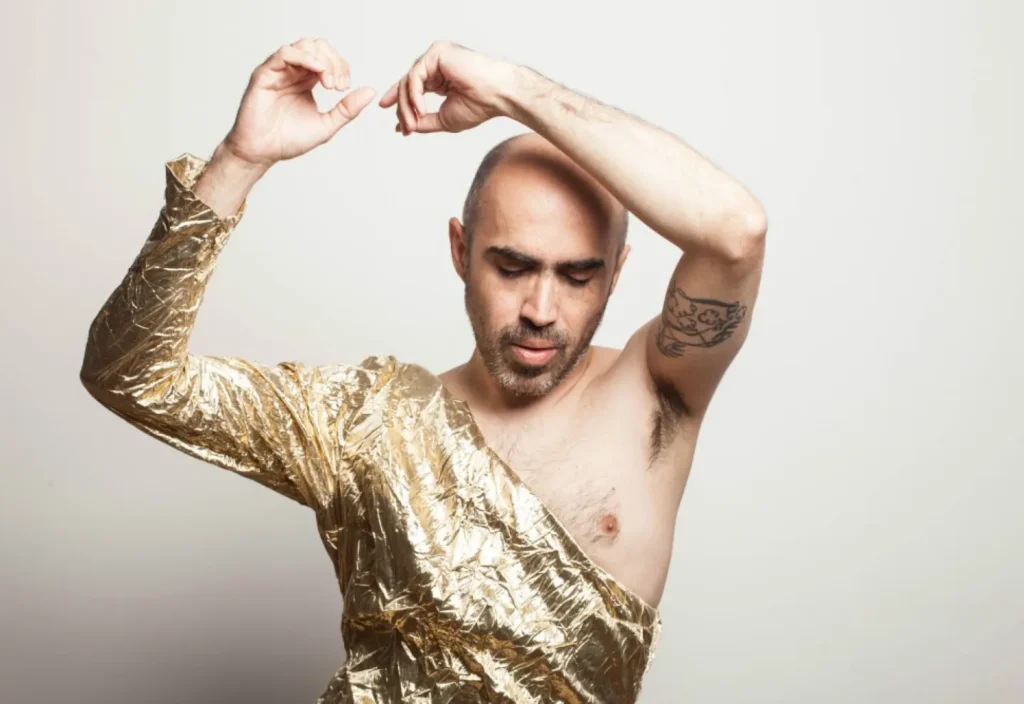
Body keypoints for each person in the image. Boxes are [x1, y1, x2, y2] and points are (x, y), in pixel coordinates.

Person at [80, 37, 766, 704]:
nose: (540, 310)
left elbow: (736, 232)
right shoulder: (370, 421)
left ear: (616, 273)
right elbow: (131, 373)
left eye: (578, 276)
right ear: (460, 251)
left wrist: (513, 90)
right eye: (512, 267)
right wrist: (238, 161)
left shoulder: (655, 397)